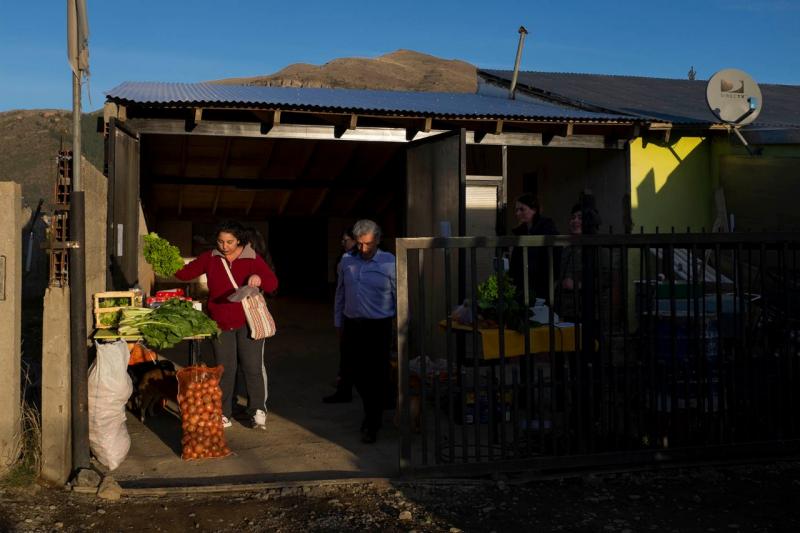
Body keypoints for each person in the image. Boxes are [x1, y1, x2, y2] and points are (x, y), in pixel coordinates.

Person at [174, 220, 278, 430]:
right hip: (220, 322)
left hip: (249, 321)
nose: (224, 246)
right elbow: (184, 273)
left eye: (229, 242)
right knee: (225, 369)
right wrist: (167, 261)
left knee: (252, 367)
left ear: (238, 240)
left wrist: (258, 277)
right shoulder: (210, 258)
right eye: (221, 241)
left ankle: (257, 410)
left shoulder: (252, 258)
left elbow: (273, 283)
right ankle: (224, 413)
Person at [334, 219, 396, 443]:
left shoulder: (390, 263)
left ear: (377, 240)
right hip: (352, 324)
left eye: (368, 244)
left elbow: (401, 296)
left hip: (378, 326)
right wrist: (338, 322)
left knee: (376, 375)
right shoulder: (347, 261)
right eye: (359, 244)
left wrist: (402, 328)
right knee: (354, 373)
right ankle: (373, 412)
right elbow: (340, 293)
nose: (363, 249)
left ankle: (372, 422)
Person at [323, 226, 358, 404]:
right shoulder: (344, 259)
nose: (343, 243)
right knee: (346, 351)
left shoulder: (381, 259)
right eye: (342, 240)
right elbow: (340, 292)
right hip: (348, 313)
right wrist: (338, 319)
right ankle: (344, 385)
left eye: (346, 240)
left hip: (369, 316)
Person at [509, 193, 559, 304]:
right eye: (516, 210)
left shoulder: (547, 228)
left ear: (534, 210)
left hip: (541, 286)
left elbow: (553, 257)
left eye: (522, 209)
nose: (518, 213)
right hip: (522, 286)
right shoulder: (520, 232)